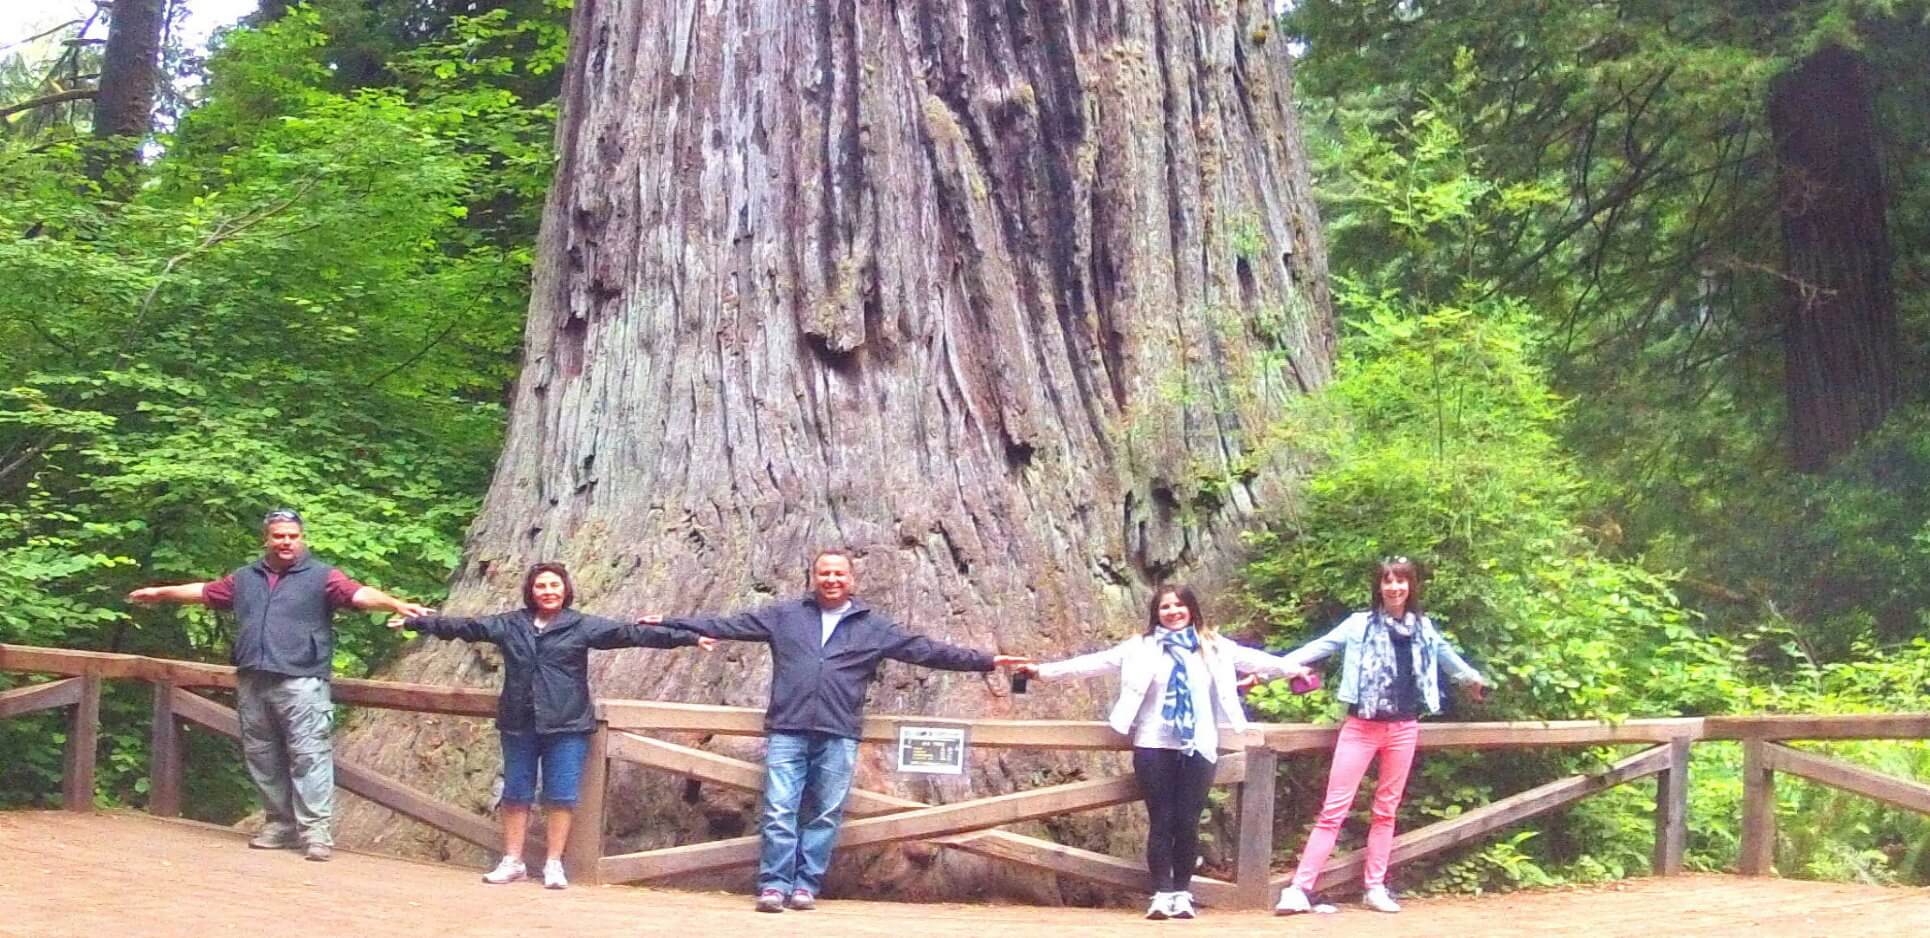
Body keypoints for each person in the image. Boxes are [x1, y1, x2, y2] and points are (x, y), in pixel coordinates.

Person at [645, 549, 1030, 913]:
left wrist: (988, 660)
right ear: (813, 578)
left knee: (824, 814)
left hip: (838, 732)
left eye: (839, 574)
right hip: (788, 728)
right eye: (824, 573)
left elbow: (927, 651)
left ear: (852, 580)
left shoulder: (872, 627)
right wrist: (670, 622)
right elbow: (726, 625)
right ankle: (774, 885)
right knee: (779, 810)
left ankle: (805, 886)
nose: (831, 579)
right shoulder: (786, 616)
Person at [126, 508, 435, 862]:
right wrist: (162, 593)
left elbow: (359, 595)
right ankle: (280, 825)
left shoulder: (321, 577)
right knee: (262, 755)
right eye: (279, 536)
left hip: (301, 680)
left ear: (302, 538)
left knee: (309, 756)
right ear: (267, 539)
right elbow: (204, 591)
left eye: (292, 535)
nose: (286, 542)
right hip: (253, 678)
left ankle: (316, 832)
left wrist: (395, 603)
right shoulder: (246, 578)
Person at [391, 562, 716, 889]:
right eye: (541, 586)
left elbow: (633, 634)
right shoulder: (511, 624)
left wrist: (688, 637)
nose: (548, 592)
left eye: (554, 585)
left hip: (567, 722)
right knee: (516, 792)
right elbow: (466, 627)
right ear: (531, 591)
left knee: (560, 795)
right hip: (519, 720)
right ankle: (512, 861)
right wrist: (417, 623)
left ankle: (553, 863)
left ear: (565, 589)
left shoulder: (581, 626)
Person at [1013, 584, 1313, 921]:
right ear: (1156, 613)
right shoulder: (1140, 648)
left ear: (1192, 609)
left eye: (1179, 606)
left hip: (1198, 743)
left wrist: (1294, 669)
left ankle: (1183, 893)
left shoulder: (1213, 646)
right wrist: (1042, 671)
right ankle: (1161, 893)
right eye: (1165, 607)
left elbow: (1255, 659)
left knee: (1187, 821)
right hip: (1154, 744)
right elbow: (1092, 664)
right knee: (1162, 819)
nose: (1173, 612)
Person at [1272, 556, 1488, 915]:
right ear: (1379, 587)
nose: (1394, 587)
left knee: (1386, 811)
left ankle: (1374, 886)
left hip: (1404, 727)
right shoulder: (1359, 625)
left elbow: (1450, 659)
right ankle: (1299, 888)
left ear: (1411, 586)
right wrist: (1270, 670)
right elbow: (1318, 648)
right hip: (1361, 727)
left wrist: (1475, 681)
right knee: (1333, 810)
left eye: (1401, 581)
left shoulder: (1423, 627)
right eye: (1388, 581)